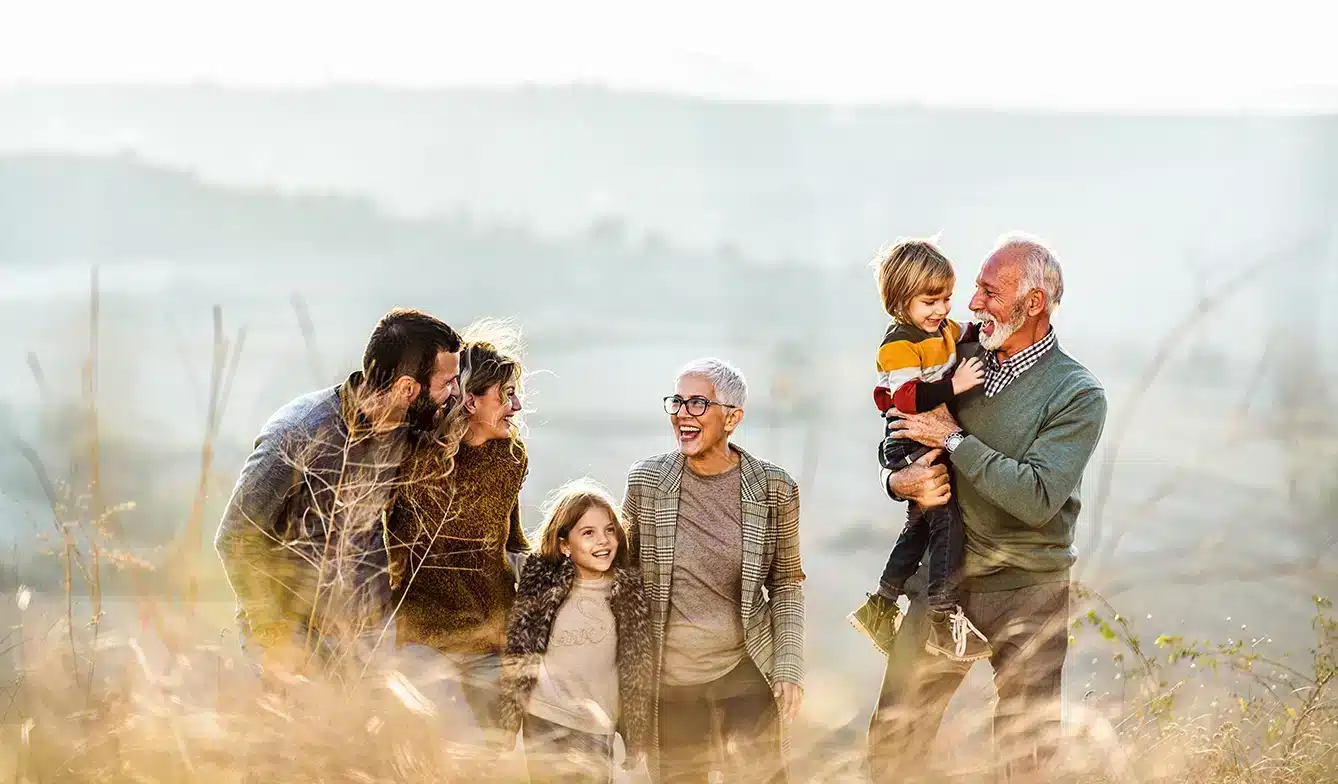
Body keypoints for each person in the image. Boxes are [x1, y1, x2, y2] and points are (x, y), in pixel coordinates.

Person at [868, 233, 1108, 782]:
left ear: (1032, 305)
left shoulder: (1075, 393)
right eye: (974, 288)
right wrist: (897, 481)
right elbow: (901, 429)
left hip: (1029, 590)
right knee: (893, 744)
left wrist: (954, 440)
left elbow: (1037, 497)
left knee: (1024, 759)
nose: (971, 303)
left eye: (987, 291)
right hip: (943, 580)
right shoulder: (960, 353)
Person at [214, 308, 461, 684]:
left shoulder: (408, 430)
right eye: (447, 383)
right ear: (408, 389)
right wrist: (275, 637)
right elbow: (235, 537)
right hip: (294, 636)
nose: (454, 394)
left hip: (366, 639)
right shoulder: (298, 433)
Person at [622, 357, 805, 783]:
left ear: (732, 418)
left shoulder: (774, 487)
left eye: (698, 403)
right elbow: (622, 576)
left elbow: (787, 583)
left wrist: (789, 667)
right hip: (671, 685)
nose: (683, 413)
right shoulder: (646, 482)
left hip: (743, 672)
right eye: (677, 402)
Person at [386, 323, 529, 746]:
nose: (517, 406)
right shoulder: (414, 458)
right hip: (424, 643)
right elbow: (384, 546)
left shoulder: (510, 458)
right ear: (470, 399)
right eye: (506, 395)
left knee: (491, 756)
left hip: (489, 644)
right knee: (440, 756)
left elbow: (511, 539)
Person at [848, 237, 990, 662]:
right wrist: (956, 385)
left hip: (924, 437)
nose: (941, 309)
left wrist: (982, 328)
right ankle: (943, 619)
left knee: (921, 528)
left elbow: (964, 331)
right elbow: (908, 397)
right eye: (930, 301)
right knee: (947, 524)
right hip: (908, 440)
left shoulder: (941, 329)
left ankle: (881, 605)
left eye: (946, 298)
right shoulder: (898, 345)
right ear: (900, 300)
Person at [498, 479, 653, 783]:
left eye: (610, 530)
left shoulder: (626, 591)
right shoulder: (541, 581)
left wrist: (635, 732)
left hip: (596, 726)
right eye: (588, 533)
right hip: (543, 717)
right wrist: (508, 720)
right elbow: (520, 648)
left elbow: (637, 665)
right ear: (564, 545)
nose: (603, 541)